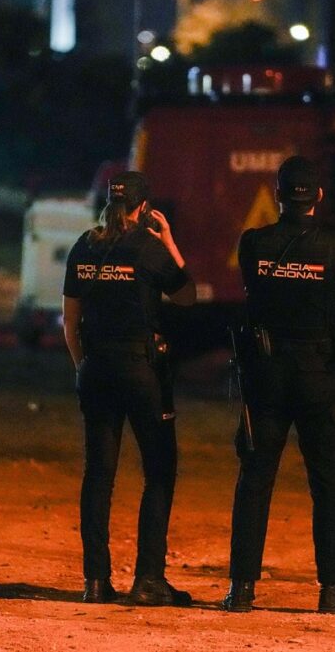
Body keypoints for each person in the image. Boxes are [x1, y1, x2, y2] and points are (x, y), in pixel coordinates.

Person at [222, 156, 335, 615]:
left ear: (277, 195)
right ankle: (333, 590)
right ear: (319, 197)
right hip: (318, 376)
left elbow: (253, 287)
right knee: (327, 485)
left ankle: (241, 591)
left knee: (254, 481)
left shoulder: (254, 244)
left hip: (265, 375)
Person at [62, 171, 197, 606]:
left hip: (96, 368)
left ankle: (95, 582)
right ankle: (148, 580)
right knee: (159, 469)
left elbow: (69, 322)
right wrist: (170, 239)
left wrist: (82, 367)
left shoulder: (84, 245)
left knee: (99, 474)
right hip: (141, 371)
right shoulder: (149, 248)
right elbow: (187, 296)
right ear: (143, 208)